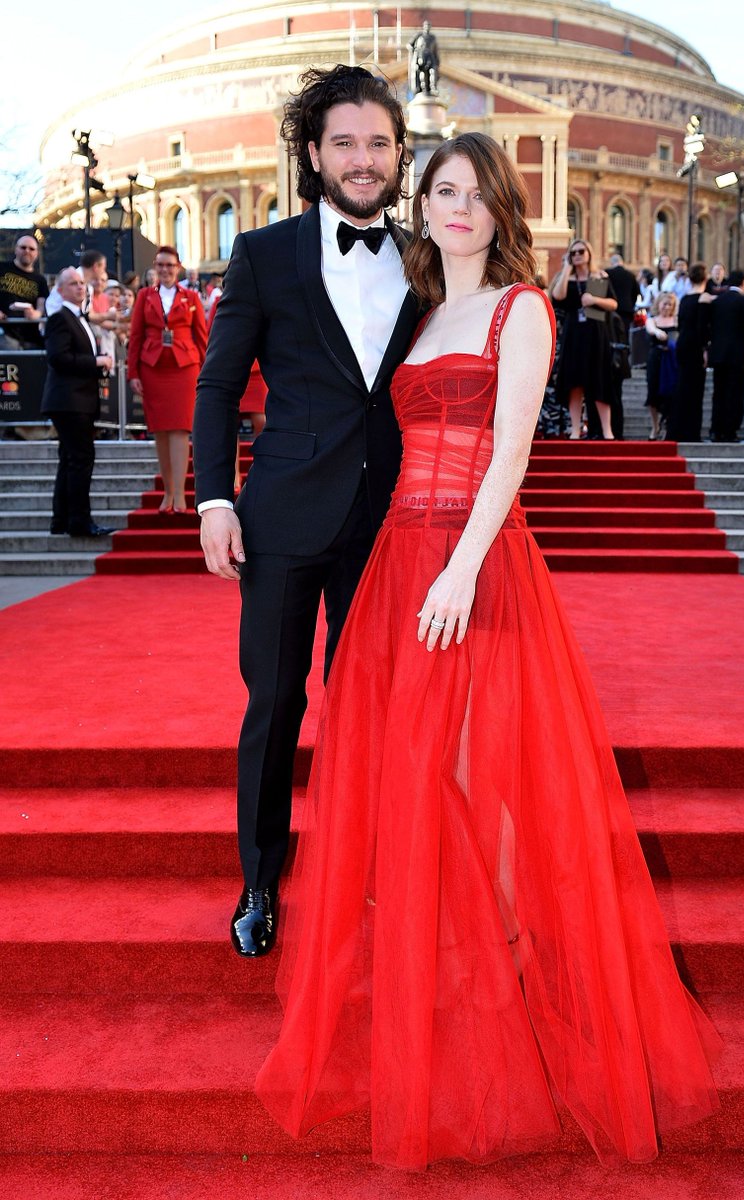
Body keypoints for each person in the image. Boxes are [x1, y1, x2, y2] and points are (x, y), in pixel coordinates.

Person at [255, 131, 719, 1171]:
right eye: (443, 190)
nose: (457, 207)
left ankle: (509, 995)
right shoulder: (419, 321)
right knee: (421, 787)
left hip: (475, 568)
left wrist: (461, 570)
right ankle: (464, 989)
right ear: (421, 205)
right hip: (396, 573)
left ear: (502, 210)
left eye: (476, 193)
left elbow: (510, 447)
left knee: (482, 781)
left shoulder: (520, 310)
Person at [193, 65, 419, 958]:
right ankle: (260, 881)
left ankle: (372, 867)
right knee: (276, 703)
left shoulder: (430, 254)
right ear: (313, 154)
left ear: (400, 154)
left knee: (373, 706)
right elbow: (217, 386)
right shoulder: (266, 252)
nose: (363, 161)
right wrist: (214, 497)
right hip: (282, 517)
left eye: (378, 144)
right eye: (345, 144)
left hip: (392, 523)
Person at [127, 245, 207, 512]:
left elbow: (202, 337)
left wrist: (209, 372)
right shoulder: (144, 296)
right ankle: (168, 493)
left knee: (181, 430)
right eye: (161, 265)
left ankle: (182, 494)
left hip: (185, 368)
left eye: (170, 265)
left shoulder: (191, 297)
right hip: (153, 368)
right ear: (154, 267)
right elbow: (136, 337)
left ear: (178, 267)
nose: (165, 270)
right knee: (160, 430)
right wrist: (133, 373)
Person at [40, 268, 113, 537]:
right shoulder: (60, 318)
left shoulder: (78, 318)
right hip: (70, 401)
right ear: (60, 290)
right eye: (73, 284)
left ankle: (61, 520)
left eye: (82, 283)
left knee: (69, 459)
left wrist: (99, 362)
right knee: (81, 459)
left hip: (75, 399)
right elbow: (58, 358)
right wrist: (96, 361)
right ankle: (80, 522)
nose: (80, 287)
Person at [549, 237, 618, 439]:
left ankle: (607, 431)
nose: (577, 255)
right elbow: (558, 296)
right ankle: (576, 430)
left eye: (581, 252)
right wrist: (566, 269)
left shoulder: (598, 276)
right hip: (574, 334)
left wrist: (594, 299)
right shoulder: (567, 278)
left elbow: (614, 304)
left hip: (596, 332)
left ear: (589, 254)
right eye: (573, 252)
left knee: (600, 380)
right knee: (574, 383)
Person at [207, 293, 268, 490]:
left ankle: (263, 468)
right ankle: (233, 475)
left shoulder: (266, 296)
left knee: (263, 420)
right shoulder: (220, 302)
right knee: (229, 423)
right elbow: (211, 332)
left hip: (259, 368)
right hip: (232, 367)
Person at [708, 268, 744, 442]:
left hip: (719, 355)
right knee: (734, 394)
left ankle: (715, 430)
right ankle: (730, 431)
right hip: (737, 355)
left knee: (718, 393)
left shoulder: (718, 301)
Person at [669, 262, 711, 442]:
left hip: (682, 345)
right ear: (705, 278)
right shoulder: (704, 299)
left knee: (682, 388)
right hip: (695, 347)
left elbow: (680, 324)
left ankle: (677, 430)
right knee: (695, 391)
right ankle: (691, 433)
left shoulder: (684, 299)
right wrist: (705, 349)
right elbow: (702, 328)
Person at [0, 233, 48, 348]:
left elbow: (41, 308)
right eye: (23, 247)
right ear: (16, 250)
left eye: (31, 249)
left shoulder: (40, 280)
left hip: (31, 337)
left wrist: (35, 314)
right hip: (5, 333)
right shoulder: (2, 268)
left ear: (36, 254)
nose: (27, 251)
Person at [644, 291, 679, 439]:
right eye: (665, 303)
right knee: (653, 392)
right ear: (658, 304)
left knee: (671, 394)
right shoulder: (652, 320)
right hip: (656, 359)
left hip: (672, 360)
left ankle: (667, 425)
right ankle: (655, 425)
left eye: (670, 304)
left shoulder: (676, 321)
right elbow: (650, 329)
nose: (667, 307)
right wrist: (658, 332)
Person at [606, 252, 639, 335]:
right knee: (624, 335)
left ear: (612, 263)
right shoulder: (631, 275)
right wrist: (631, 304)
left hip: (610, 310)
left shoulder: (607, 273)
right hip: (626, 310)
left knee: (611, 335)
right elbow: (636, 293)